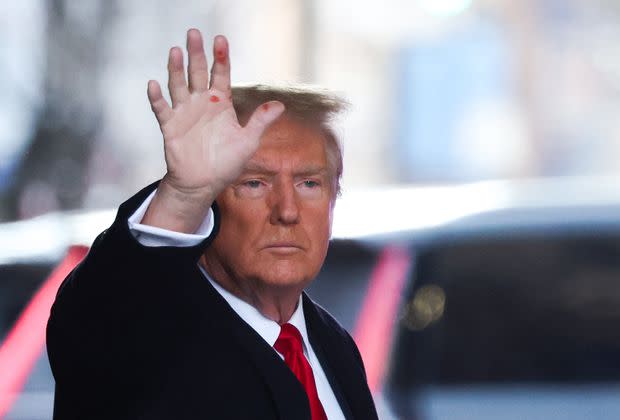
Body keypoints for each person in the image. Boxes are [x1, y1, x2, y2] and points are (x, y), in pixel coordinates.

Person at [46, 28, 378, 419]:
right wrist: (183, 195)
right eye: (254, 183)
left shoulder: (335, 346)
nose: (287, 210)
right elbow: (97, 318)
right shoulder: (146, 337)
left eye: (309, 183)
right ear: (211, 202)